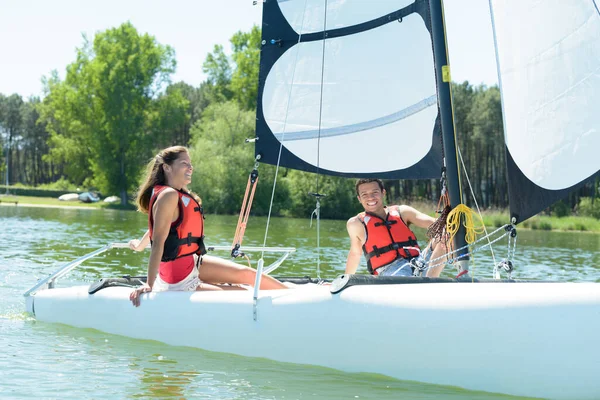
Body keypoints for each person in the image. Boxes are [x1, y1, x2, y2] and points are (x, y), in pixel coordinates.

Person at [129, 145, 287, 307]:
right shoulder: (168, 195)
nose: (191, 167)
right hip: (179, 280)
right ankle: (290, 302)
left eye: (190, 163)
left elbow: (161, 229)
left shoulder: (177, 192)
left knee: (247, 275)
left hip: (192, 262)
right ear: (167, 168)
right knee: (242, 293)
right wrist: (149, 283)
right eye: (184, 163)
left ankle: (291, 294)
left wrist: (139, 246)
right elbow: (158, 241)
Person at [345, 178, 448, 277]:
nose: (370, 197)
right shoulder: (356, 223)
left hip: (419, 261)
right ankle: (425, 282)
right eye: (364, 194)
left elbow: (436, 224)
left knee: (447, 232)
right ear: (359, 198)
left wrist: (450, 218)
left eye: (375, 192)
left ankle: (430, 280)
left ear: (383, 193)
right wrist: (344, 280)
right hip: (390, 271)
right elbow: (355, 253)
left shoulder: (402, 212)